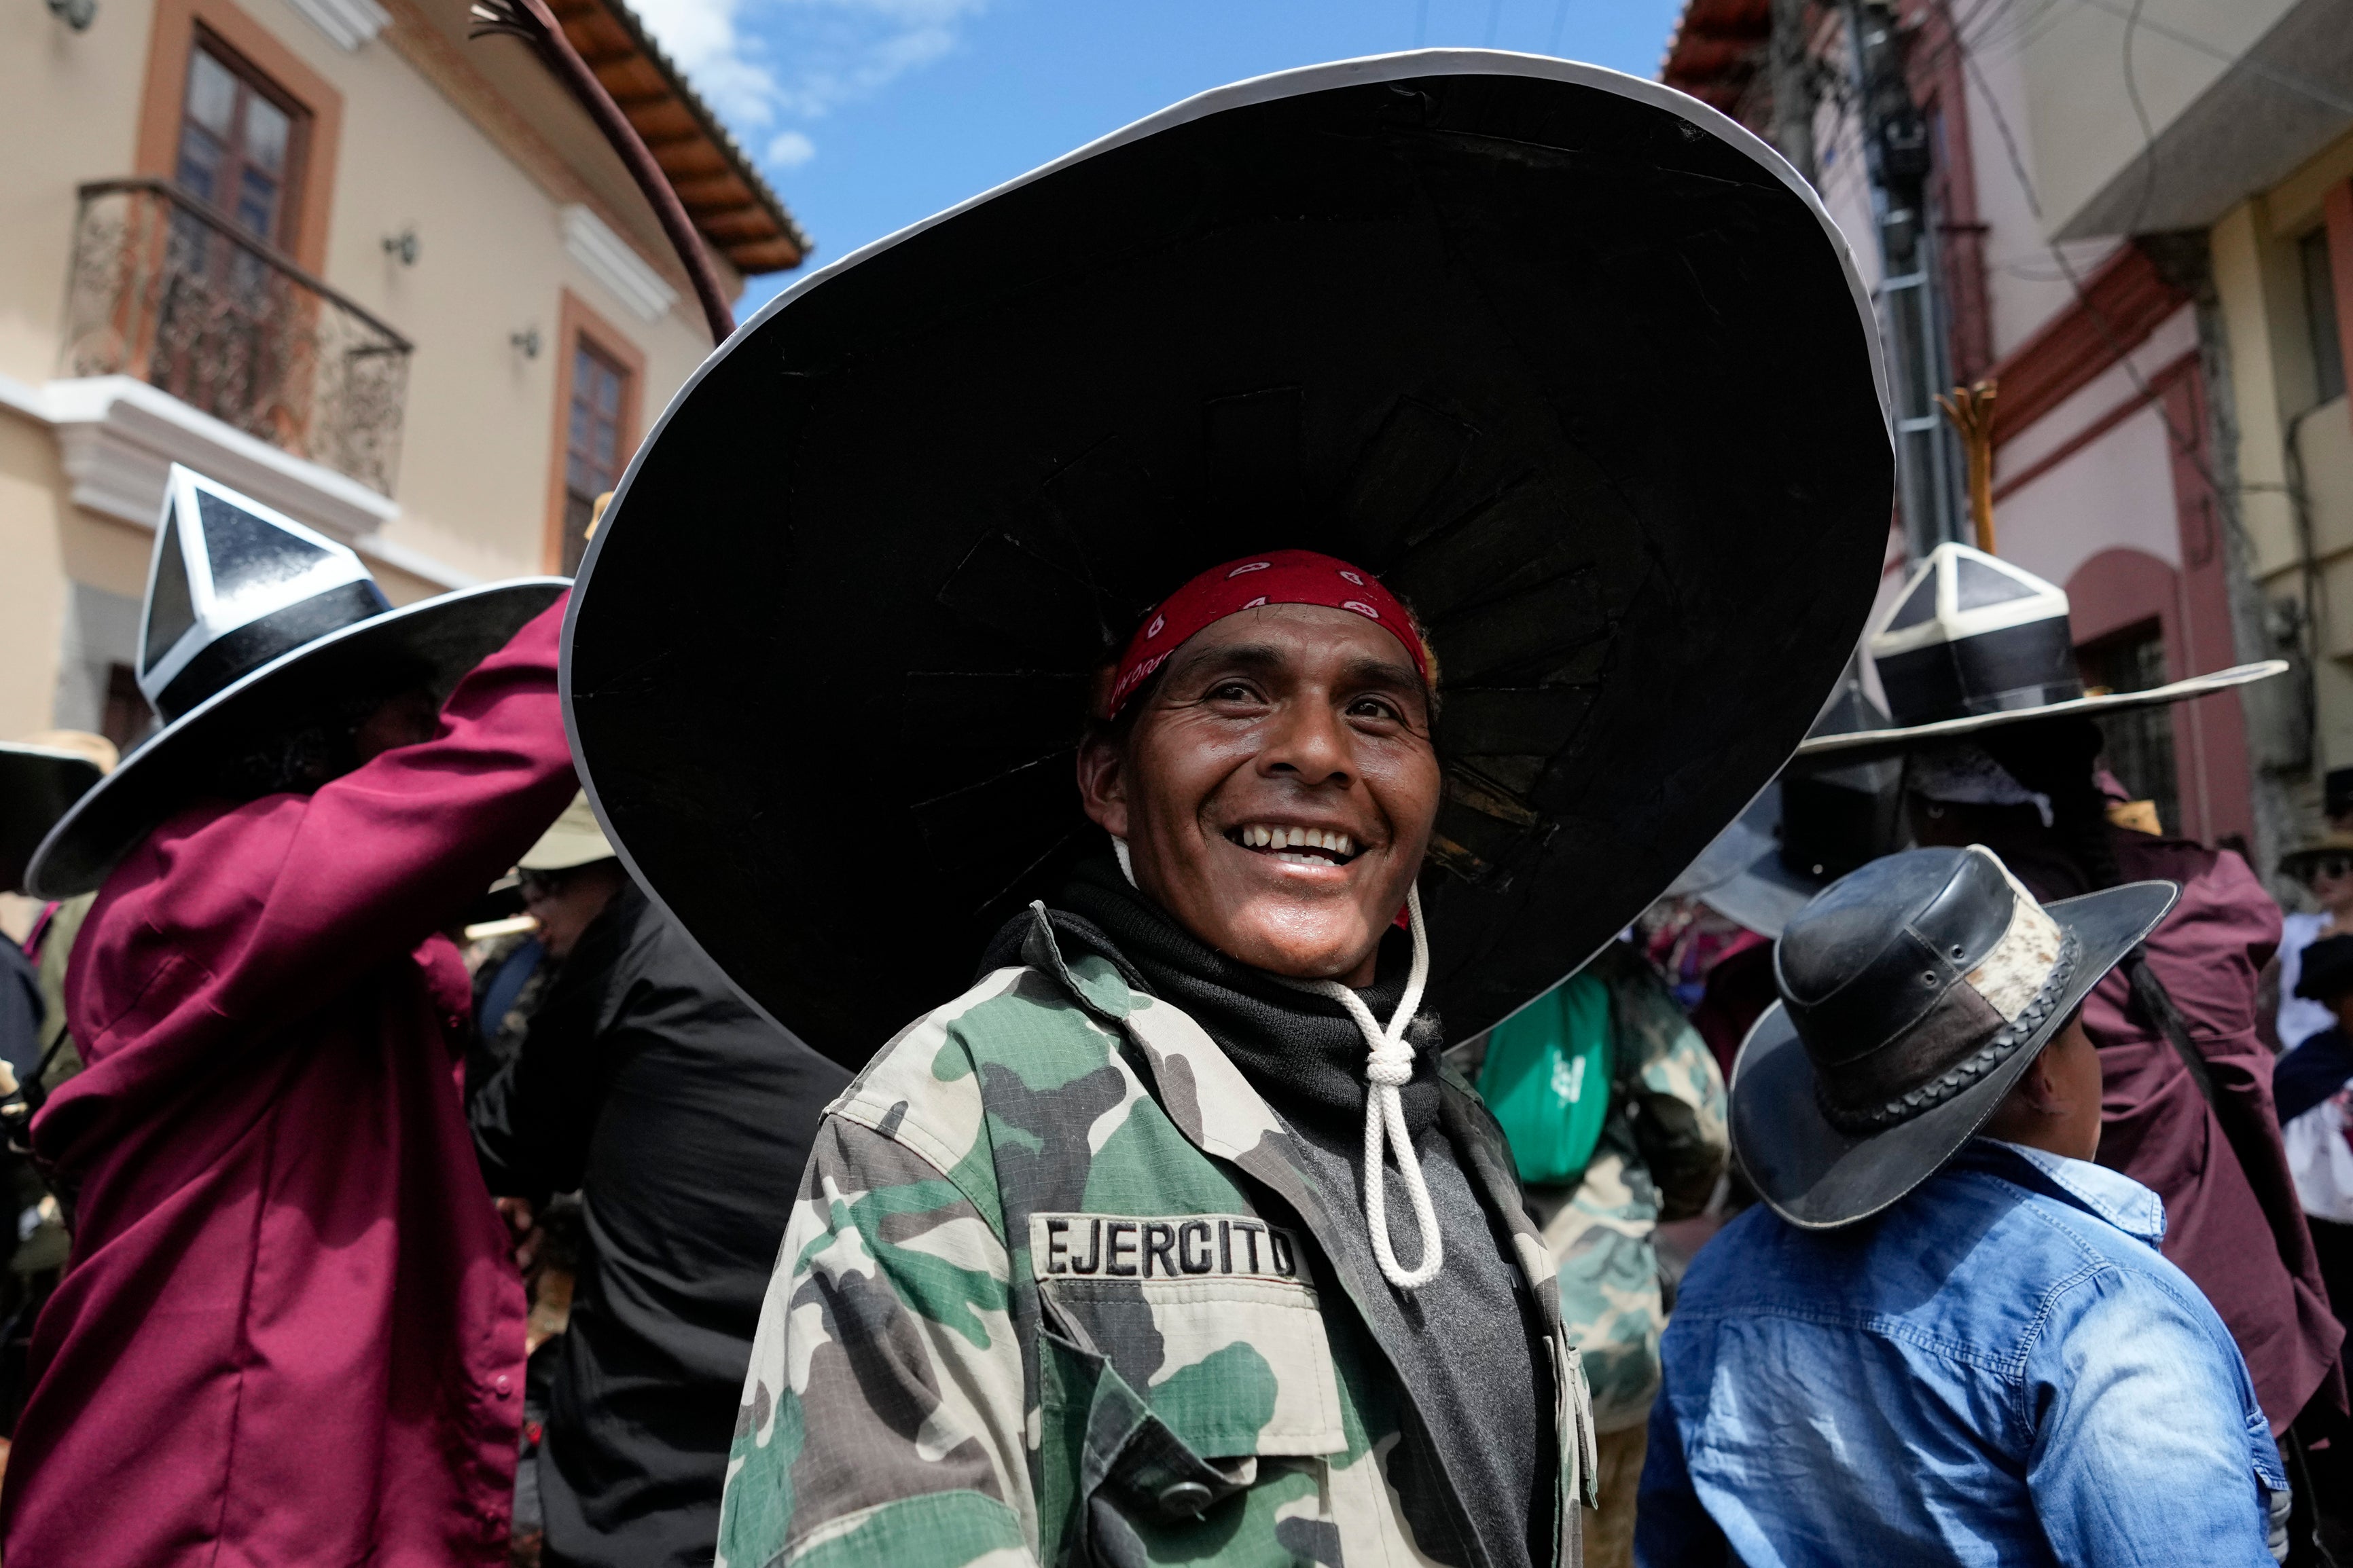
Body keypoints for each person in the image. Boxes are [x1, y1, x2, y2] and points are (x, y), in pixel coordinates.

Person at [0, 464, 571, 1565]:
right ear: (320, 734)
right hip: (209, 1484)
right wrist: (632, 576)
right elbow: (499, 764)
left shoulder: (281, 910)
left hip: (268, 1454)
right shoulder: (210, 882)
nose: (436, 724)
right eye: (414, 711)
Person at [1793, 542, 2346, 1463]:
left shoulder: (1971, 968)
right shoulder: (2206, 892)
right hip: (2260, 1346)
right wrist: (2084, 792)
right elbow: (2139, 869)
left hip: (2112, 1388)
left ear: (1930, 801)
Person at [1640, 845, 2288, 1566]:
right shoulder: (2102, 1312)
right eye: (2084, 1035)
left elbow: (1676, 1547)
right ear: (2046, 1075)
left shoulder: (1722, 1273)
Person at [471, 820, 851, 1568]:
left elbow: (502, 1144)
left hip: (639, 1503)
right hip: (859, 1501)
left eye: (552, 879)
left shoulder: (653, 928)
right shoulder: (975, 958)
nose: (532, 904)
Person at [1474, 940, 1726, 1568]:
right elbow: (1701, 1120)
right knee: (1606, 1543)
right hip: (1604, 1337)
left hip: (1463, 1341)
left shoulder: (1427, 949)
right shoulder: (1601, 964)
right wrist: (1662, 1203)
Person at [2277, 833, 2353, 1054]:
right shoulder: (2294, 928)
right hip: (2304, 1057)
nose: (2321, 879)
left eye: (2335, 869)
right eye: (2310, 872)